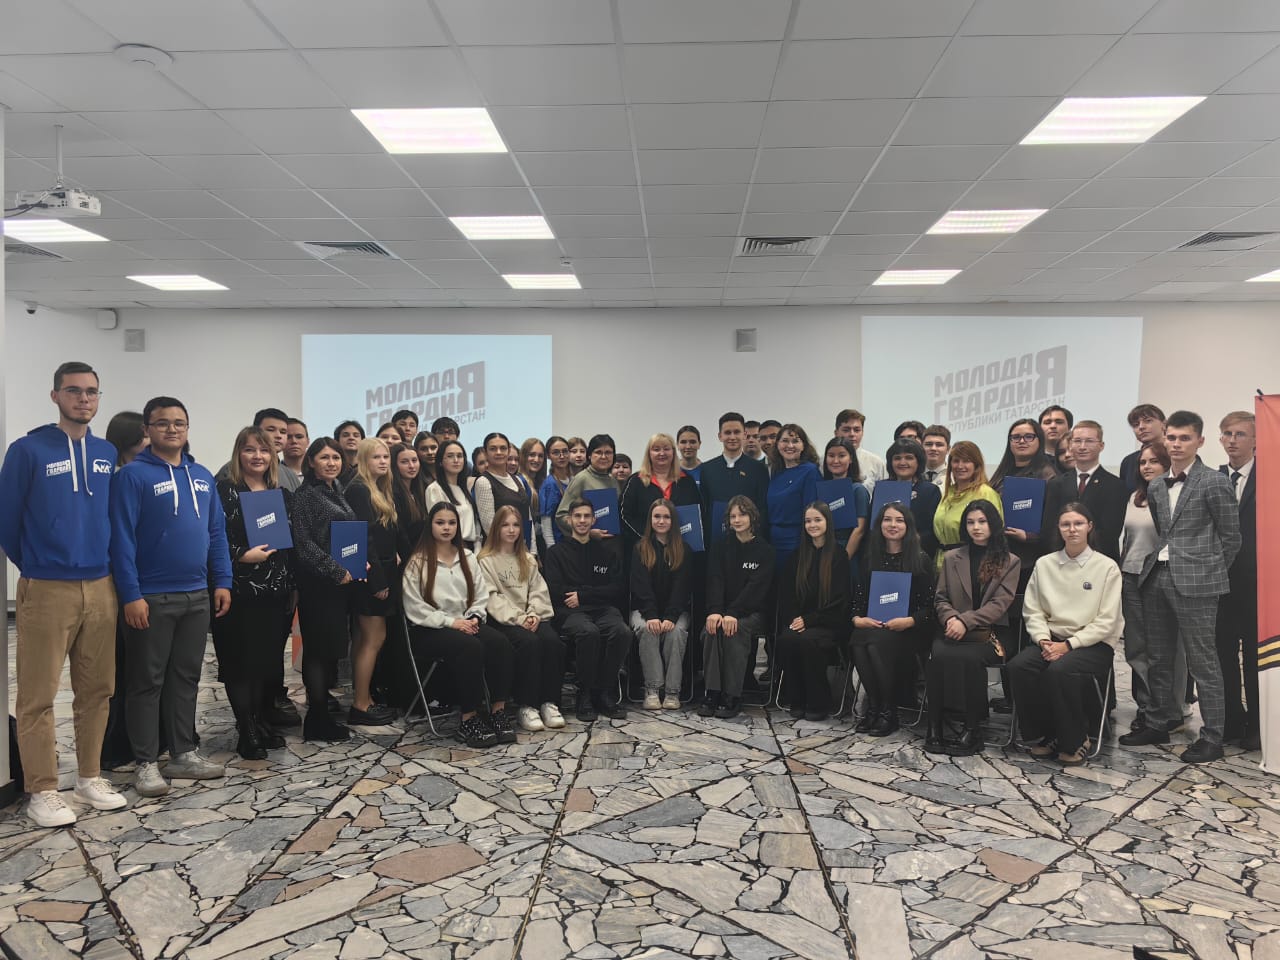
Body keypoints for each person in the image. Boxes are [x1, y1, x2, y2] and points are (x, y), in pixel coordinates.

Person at [0, 362, 127, 826]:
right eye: (74, 391)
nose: (84, 399)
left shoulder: (106, 451)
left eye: (91, 392)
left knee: (98, 689)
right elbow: (7, 521)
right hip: (47, 586)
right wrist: (38, 565)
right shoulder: (27, 450)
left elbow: (110, 518)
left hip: (101, 586)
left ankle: (89, 777)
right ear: (55, 396)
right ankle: (42, 789)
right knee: (38, 694)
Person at [111, 396, 231, 797]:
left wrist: (223, 580)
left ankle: (183, 753)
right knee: (146, 682)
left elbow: (216, 533)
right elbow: (121, 540)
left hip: (197, 595)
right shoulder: (132, 476)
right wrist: (131, 594)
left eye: (179, 422)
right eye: (162, 423)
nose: (172, 429)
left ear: (187, 428)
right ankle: (145, 762)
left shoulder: (202, 476)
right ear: (147, 429)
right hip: (150, 596)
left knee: (186, 678)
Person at [1008, 502, 1122, 766]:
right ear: (1058, 529)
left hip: (1093, 644)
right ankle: (1044, 735)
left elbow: (1107, 621)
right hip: (1051, 640)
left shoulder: (1106, 567)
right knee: (1019, 666)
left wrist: (1069, 645)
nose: (1072, 529)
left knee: (1060, 670)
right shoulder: (1045, 564)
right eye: (1066, 524)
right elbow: (1033, 610)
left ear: (1089, 527)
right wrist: (1043, 640)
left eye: (1078, 523)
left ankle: (1075, 739)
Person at [403, 502, 515, 748]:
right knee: (470, 647)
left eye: (452, 523)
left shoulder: (468, 557)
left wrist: (474, 616)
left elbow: (480, 595)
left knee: (500, 643)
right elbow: (415, 608)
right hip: (431, 628)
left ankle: (497, 711)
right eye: (440, 522)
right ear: (430, 525)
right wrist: (452, 623)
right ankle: (468, 718)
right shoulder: (418, 562)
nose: (446, 528)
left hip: (467, 622)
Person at [214, 427, 295, 760]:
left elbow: (290, 544)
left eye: (263, 450)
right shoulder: (224, 490)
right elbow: (212, 537)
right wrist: (241, 555)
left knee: (265, 662)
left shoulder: (280, 493)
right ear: (239, 454)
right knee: (239, 662)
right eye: (250, 450)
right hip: (238, 590)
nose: (257, 456)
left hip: (276, 592)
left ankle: (260, 721)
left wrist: (292, 586)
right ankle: (246, 728)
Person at [926, 500, 1019, 755]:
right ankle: (934, 725)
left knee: (969, 658)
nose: (976, 527)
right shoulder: (951, 557)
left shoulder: (1009, 561)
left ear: (993, 524)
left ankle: (972, 728)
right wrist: (951, 619)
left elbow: (1000, 604)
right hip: (952, 627)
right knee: (937, 654)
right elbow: (940, 598)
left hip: (991, 632)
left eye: (982, 521)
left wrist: (965, 621)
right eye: (970, 522)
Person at [291, 437, 359, 744]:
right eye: (324, 457)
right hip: (318, 584)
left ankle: (322, 715)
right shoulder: (305, 495)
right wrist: (335, 570)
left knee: (330, 652)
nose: (331, 463)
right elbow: (303, 543)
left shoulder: (336, 489)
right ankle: (316, 719)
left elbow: (342, 535)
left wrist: (356, 562)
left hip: (339, 584)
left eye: (336, 457)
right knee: (318, 652)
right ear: (311, 462)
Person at [478, 506, 566, 732]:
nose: (511, 530)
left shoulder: (528, 559)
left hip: (531, 616)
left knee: (552, 641)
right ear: (496, 528)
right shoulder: (485, 560)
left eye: (516, 525)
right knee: (529, 643)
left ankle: (549, 702)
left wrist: (534, 613)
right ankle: (527, 705)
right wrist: (519, 618)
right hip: (504, 620)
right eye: (505, 525)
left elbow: (538, 590)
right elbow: (491, 597)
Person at [1119, 441, 1187, 735]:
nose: (1146, 466)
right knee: (1136, 647)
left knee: (1167, 649)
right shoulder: (1134, 497)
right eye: (1143, 462)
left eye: (1153, 461)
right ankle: (1147, 708)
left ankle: (1172, 709)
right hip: (1131, 576)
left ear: (1166, 464)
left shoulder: (1176, 496)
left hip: (1162, 578)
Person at [850, 502, 934, 736]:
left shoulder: (921, 559)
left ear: (908, 526)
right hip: (875, 626)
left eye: (899, 520)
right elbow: (858, 600)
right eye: (887, 519)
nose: (893, 525)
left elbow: (930, 608)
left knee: (875, 643)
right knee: (858, 640)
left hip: (910, 629)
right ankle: (875, 707)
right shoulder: (871, 558)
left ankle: (889, 711)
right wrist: (857, 619)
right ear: (879, 525)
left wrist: (908, 621)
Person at [544, 498, 630, 721]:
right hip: (569, 612)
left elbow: (617, 588)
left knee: (621, 631)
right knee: (588, 632)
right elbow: (555, 590)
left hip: (601, 609)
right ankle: (584, 695)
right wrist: (584, 595)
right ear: (569, 520)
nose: (582, 520)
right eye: (577, 516)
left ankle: (604, 692)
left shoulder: (606, 552)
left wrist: (583, 595)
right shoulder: (555, 552)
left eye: (586, 516)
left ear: (594, 520)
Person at [99, 410, 148, 770]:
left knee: (146, 668)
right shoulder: (116, 479)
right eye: (145, 434)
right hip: (120, 584)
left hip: (152, 582)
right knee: (122, 670)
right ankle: (118, 743)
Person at [699, 496, 775, 719]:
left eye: (742, 514)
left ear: (752, 517)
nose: (737, 520)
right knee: (711, 630)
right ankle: (712, 692)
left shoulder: (765, 550)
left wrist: (733, 613)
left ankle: (732, 695)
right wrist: (715, 611)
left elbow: (756, 589)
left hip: (752, 613)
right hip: (723, 611)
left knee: (734, 630)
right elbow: (714, 580)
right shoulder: (720, 546)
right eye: (733, 516)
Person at [342, 439, 400, 727]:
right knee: (372, 639)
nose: (383, 461)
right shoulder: (359, 489)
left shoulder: (378, 487)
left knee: (367, 639)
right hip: (370, 576)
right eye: (376, 457)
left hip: (381, 570)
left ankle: (363, 698)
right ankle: (361, 705)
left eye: (385, 456)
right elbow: (363, 538)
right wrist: (377, 580)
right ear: (364, 460)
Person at [777, 502, 851, 721]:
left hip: (829, 622)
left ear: (828, 522)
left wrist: (809, 620)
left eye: (817, 520)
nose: (812, 525)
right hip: (800, 622)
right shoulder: (797, 556)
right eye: (808, 521)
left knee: (808, 641)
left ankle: (818, 701)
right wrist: (795, 619)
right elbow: (787, 595)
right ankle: (797, 699)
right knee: (788, 639)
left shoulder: (839, 555)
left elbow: (840, 600)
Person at [1216, 411, 1259, 751]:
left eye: (1240, 434)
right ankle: (1231, 720)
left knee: (1256, 658)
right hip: (1218, 583)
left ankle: (1258, 725)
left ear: (1256, 440)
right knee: (1222, 655)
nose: (1232, 440)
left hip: (1257, 584)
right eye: (1227, 434)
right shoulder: (1212, 479)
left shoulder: (1271, 478)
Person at [630, 499, 693, 710]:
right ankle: (653, 690)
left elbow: (682, 588)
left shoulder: (684, 549)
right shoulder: (640, 548)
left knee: (676, 633)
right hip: (644, 611)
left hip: (675, 611)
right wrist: (652, 616)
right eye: (657, 516)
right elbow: (640, 587)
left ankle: (673, 692)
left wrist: (671, 617)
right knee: (648, 630)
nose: (661, 521)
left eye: (666, 517)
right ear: (650, 520)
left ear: (673, 521)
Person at [1044, 421, 1127, 565]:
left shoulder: (1116, 485)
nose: (1082, 447)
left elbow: (1110, 533)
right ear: (1070, 445)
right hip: (1061, 561)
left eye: (1089, 441)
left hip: (1100, 562)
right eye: (1077, 441)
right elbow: (1050, 528)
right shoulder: (1056, 484)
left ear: (1101, 446)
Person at [621, 433, 700, 553]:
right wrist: (647, 539)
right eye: (656, 449)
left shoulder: (687, 481)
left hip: (680, 550)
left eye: (666, 449)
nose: (662, 453)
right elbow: (624, 516)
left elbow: (697, 514)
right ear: (649, 453)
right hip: (644, 550)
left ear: (673, 452)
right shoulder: (636, 481)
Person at [699, 412, 770, 543]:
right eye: (727, 433)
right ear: (720, 436)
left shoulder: (758, 469)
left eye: (737, 432)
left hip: (750, 542)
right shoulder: (707, 469)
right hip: (717, 542)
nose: (732, 437)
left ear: (744, 435)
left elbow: (762, 508)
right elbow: (705, 508)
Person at [932, 441, 1002, 572]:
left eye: (966, 461)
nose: (960, 466)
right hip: (941, 563)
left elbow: (996, 533)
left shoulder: (985, 493)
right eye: (956, 461)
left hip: (970, 564)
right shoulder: (949, 492)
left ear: (976, 464)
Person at [767, 424, 822, 566]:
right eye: (785, 441)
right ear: (777, 444)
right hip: (773, 541)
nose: (790, 445)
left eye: (795, 441)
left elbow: (811, 511)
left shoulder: (810, 471)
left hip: (797, 541)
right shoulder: (776, 472)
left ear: (803, 446)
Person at [474, 432, 537, 554]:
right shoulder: (483, 482)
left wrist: (533, 551)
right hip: (500, 552)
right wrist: (511, 552)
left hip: (524, 549)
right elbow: (490, 527)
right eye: (493, 449)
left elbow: (528, 518)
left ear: (508, 451)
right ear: (485, 453)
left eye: (503, 448)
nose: (498, 452)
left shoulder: (518, 480)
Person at [885, 438, 941, 560]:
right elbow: (873, 526)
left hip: (916, 556)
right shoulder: (883, 488)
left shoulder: (930, 491)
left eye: (909, 458)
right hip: (883, 554)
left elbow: (930, 532)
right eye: (897, 458)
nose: (902, 462)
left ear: (919, 462)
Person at [556, 434, 618, 536]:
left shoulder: (614, 481)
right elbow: (561, 516)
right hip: (586, 542)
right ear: (589, 455)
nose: (603, 457)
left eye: (608, 452)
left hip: (613, 540)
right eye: (598, 452)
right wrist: (587, 532)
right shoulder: (581, 479)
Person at [426, 439, 481, 551]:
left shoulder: (464, 489)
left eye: (460, 456)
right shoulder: (435, 489)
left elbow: (475, 525)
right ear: (440, 461)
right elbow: (438, 527)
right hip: (451, 549)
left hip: (471, 549)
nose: (456, 460)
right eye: (450, 456)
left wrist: (477, 548)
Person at [821, 437, 870, 561]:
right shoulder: (822, 489)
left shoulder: (858, 490)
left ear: (851, 459)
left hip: (848, 553)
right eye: (831, 456)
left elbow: (859, 530)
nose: (835, 460)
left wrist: (843, 559)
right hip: (825, 552)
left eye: (842, 456)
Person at [390, 441, 427, 560]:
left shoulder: (422, 490)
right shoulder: (392, 493)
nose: (411, 466)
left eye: (414, 460)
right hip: (407, 558)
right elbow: (400, 533)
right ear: (394, 465)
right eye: (404, 462)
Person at [835, 409, 887, 491]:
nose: (852, 434)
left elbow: (884, 494)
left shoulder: (876, 463)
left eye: (857, 430)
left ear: (862, 432)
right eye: (846, 430)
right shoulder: (825, 462)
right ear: (836, 433)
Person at [1120, 404, 1166, 492]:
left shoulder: (1176, 455)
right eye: (1136, 424)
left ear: (1164, 424)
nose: (1141, 427)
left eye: (1148, 421)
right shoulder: (1129, 461)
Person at [540, 436, 574, 547]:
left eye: (565, 451)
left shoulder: (573, 480)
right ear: (548, 456)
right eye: (556, 453)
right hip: (559, 543)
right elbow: (546, 521)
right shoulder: (550, 484)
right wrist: (551, 548)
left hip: (575, 540)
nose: (562, 456)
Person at [333, 420, 365, 489]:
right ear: (337, 440)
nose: (351, 438)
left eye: (356, 435)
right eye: (345, 435)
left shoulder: (367, 467)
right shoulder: (332, 466)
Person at [921, 425, 951, 489]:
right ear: (921, 447)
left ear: (948, 449)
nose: (933, 448)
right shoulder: (912, 475)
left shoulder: (954, 475)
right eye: (928, 444)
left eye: (939, 445)